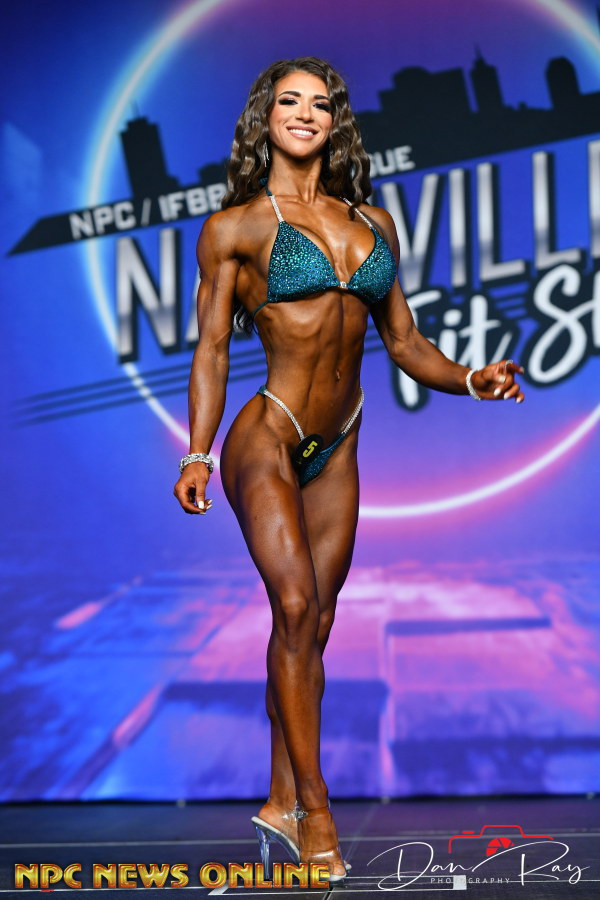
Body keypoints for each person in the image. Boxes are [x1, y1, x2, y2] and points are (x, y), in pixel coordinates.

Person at [173, 56, 525, 883]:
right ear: (265, 120)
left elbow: (404, 342)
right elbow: (212, 349)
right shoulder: (234, 229)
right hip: (269, 433)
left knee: (313, 625)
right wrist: (197, 450)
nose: (305, 113)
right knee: (294, 606)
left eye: (320, 103)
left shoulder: (374, 223)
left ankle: (276, 800)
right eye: (289, 102)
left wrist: (471, 378)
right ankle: (316, 808)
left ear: (336, 122)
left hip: (341, 440)